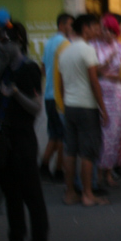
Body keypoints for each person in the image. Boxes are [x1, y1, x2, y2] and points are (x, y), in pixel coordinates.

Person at [0, 21, 49, 241]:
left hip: (23, 139)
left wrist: (16, 94)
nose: (1, 46)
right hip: (4, 139)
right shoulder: (3, 68)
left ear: (19, 42)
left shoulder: (29, 69)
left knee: (31, 195)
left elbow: (36, 107)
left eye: (6, 41)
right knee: (11, 196)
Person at [58, 14, 109, 207]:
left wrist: (65, 102)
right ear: (85, 28)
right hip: (86, 107)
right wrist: (102, 108)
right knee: (87, 152)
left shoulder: (65, 52)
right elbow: (94, 81)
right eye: (96, 27)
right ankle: (88, 194)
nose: (98, 31)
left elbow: (61, 83)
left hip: (70, 107)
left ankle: (70, 192)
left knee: (70, 150)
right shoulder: (88, 50)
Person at [93, 14, 121, 189]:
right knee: (99, 135)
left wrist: (106, 74)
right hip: (97, 94)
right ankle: (98, 173)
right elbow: (92, 70)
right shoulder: (93, 46)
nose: (105, 32)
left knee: (113, 135)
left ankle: (108, 171)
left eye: (108, 29)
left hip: (115, 95)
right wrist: (106, 66)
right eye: (102, 29)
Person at [40, 13, 73, 180]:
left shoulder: (49, 43)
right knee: (62, 136)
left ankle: (44, 166)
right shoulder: (65, 44)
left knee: (54, 134)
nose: (72, 27)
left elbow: (43, 67)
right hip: (59, 96)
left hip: (48, 95)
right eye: (70, 24)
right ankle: (59, 170)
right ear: (61, 25)